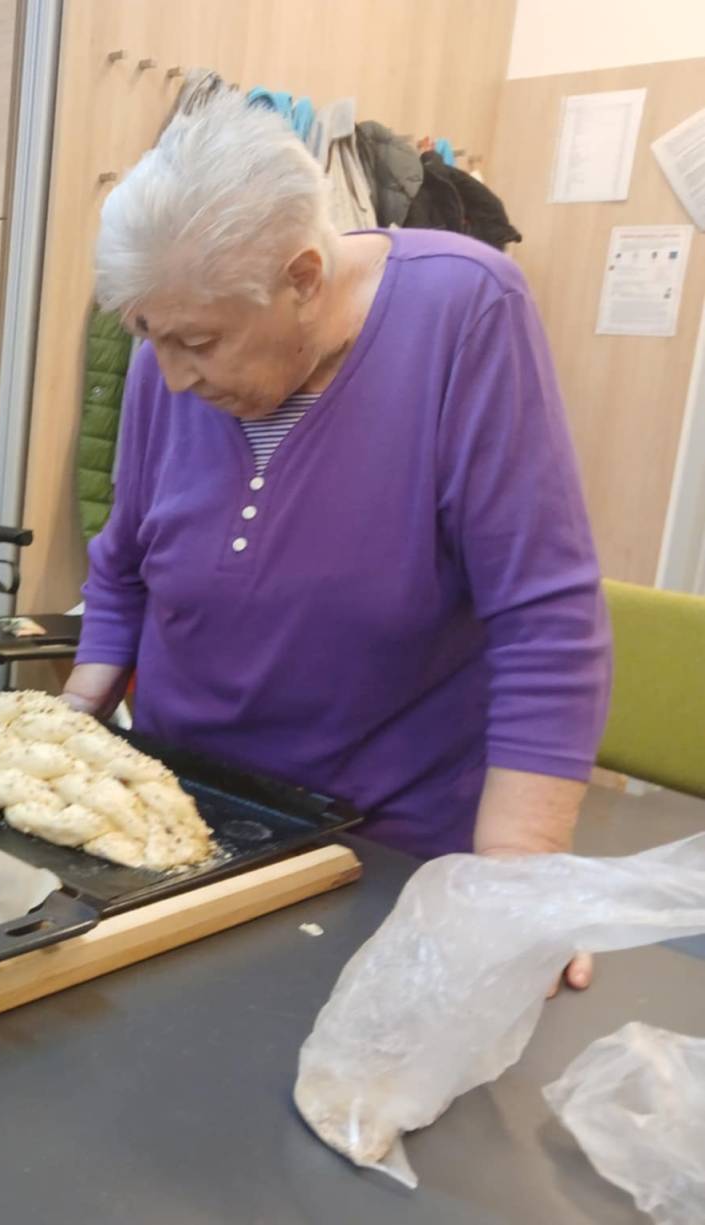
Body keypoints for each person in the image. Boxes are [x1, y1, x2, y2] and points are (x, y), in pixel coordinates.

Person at [63, 95, 611, 987]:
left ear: (304, 278)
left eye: (197, 341)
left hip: (378, 852)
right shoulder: (168, 351)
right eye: (148, 337)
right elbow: (123, 562)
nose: (171, 375)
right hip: (175, 823)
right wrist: (73, 719)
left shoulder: (463, 311)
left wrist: (517, 875)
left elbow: (544, 620)